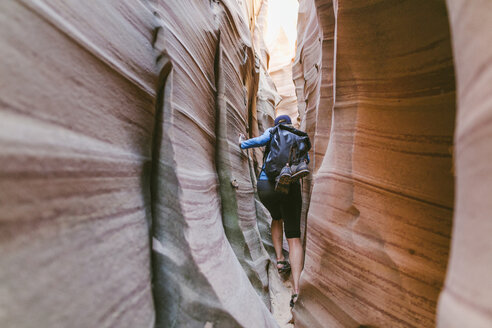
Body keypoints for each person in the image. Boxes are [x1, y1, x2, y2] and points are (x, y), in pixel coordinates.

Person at [239, 115, 310, 308]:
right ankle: (296, 289)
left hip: (267, 186)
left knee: (276, 217)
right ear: (289, 124)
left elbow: (259, 141)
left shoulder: (272, 132)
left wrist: (242, 143)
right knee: (294, 237)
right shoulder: (297, 135)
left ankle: (279, 260)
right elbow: (307, 160)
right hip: (291, 187)